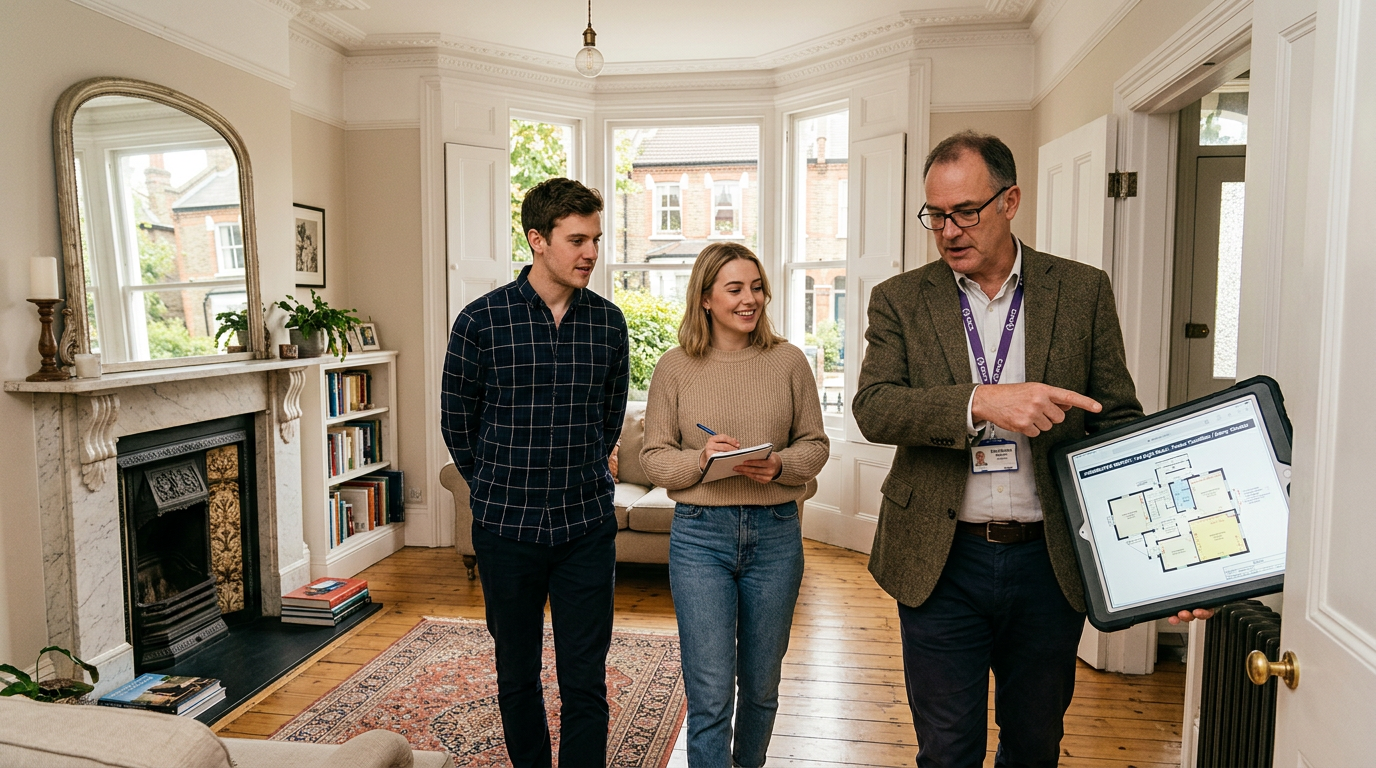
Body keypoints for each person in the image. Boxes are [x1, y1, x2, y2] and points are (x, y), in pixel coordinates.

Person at [852, 131, 1212, 767]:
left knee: (1034, 746)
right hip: (940, 562)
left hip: (1050, 563)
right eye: (935, 215)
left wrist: (1171, 556)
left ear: (1011, 200)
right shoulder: (901, 300)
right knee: (946, 752)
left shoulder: (1082, 291)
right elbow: (875, 408)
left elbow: (1118, 420)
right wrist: (980, 401)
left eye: (966, 212)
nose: (948, 231)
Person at [441, 177, 629, 768]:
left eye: (596, 239)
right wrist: (499, 484)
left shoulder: (608, 323)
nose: (591, 253)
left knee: (585, 678)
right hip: (504, 529)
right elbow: (457, 424)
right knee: (516, 674)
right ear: (537, 241)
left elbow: (609, 418)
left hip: (585, 528)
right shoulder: (480, 321)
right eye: (577, 240)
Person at [640, 243, 829, 768]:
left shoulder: (788, 360)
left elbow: (816, 444)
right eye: (735, 289)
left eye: (757, 287)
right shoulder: (674, 368)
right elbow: (654, 457)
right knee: (710, 694)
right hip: (700, 536)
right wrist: (700, 459)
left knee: (762, 687)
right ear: (704, 298)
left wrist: (780, 467)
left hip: (775, 533)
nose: (751, 300)